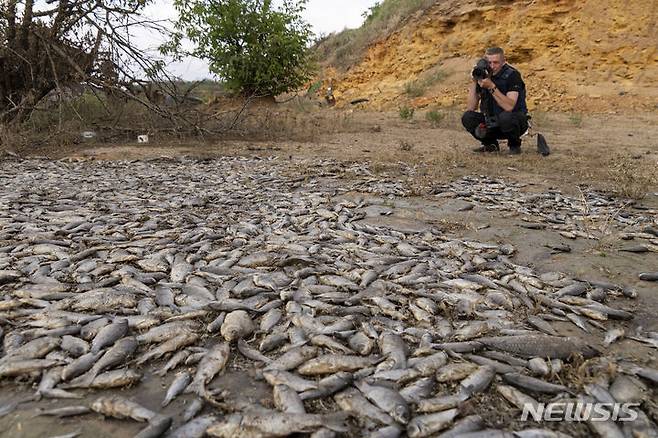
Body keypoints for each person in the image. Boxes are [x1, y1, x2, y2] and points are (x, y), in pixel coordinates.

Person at [461, 47, 528, 154]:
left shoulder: (512, 75)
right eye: (489, 63)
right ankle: (490, 145)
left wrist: (491, 87)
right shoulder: (484, 75)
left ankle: (514, 145)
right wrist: (474, 81)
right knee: (468, 117)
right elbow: (471, 107)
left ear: (503, 61)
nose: (492, 66)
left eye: (496, 63)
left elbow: (509, 106)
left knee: (506, 116)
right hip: (491, 122)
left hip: (514, 123)